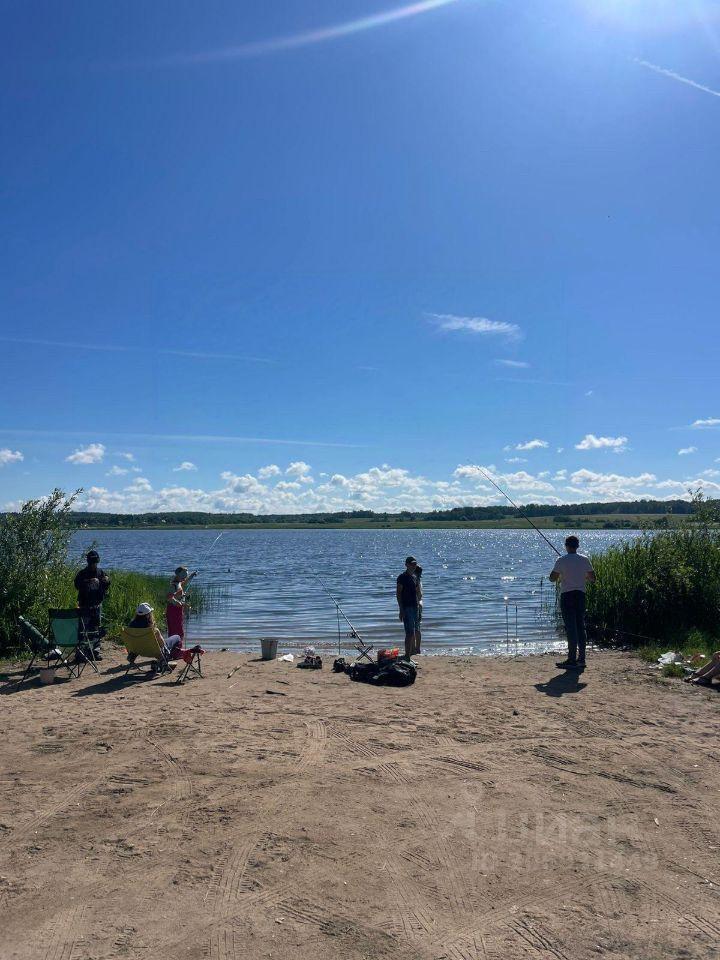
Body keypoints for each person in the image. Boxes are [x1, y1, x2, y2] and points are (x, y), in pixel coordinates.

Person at [549, 536, 596, 669]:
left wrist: (561, 573)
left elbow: (552, 578)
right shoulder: (584, 559)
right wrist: (583, 576)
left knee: (571, 628)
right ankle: (581, 659)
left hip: (567, 596)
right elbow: (593, 578)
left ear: (566, 546)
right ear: (577, 546)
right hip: (581, 595)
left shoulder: (561, 560)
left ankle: (571, 659)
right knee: (581, 626)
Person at [74, 550, 110, 660]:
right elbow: (77, 585)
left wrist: (107, 580)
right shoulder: (82, 573)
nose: (94, 565)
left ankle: (95, 651)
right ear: (88, 562)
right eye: (92, 563)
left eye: (95, 562)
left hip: (97, 605)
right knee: (83, 630)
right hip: (84, 606)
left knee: (96, 629)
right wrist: (89, 582)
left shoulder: (100, 572)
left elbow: (107, 584)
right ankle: (81, 653)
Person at [127, 602, 181, 667]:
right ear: (147, 615)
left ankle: (132, 656)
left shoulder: (130, 627)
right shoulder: (152, 629)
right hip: (153, 651)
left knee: (139, 641)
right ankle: (166, 659)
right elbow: (162, 644)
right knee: (177, 637)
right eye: (150, 613)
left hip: (138, 650)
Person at [397, 556, 422, 659]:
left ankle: (412, 653)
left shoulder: (415, 577)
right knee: (409, 633)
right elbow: (398, 594)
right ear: (406, 564)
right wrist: (401, 609)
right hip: (406, 608)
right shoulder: (402, 577)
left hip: (415, 607)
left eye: (415, 564)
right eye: (411, 564)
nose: (413, 565)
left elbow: (418, 593)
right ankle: (407, 656)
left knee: (416, 630)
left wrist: (420, 606)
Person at [166, 566, 196, 641]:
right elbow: (169, 597)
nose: (184, 578)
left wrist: (191, 576)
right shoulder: (174, 585)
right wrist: (178, 602)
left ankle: (176, 648)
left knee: (178, 630)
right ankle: (176, 649)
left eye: (185, 577)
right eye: (183, 576)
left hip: (177, 610)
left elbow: (184, 582)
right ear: (179, 575)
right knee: (177, 631)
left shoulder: (178, 583)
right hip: (173, 610)